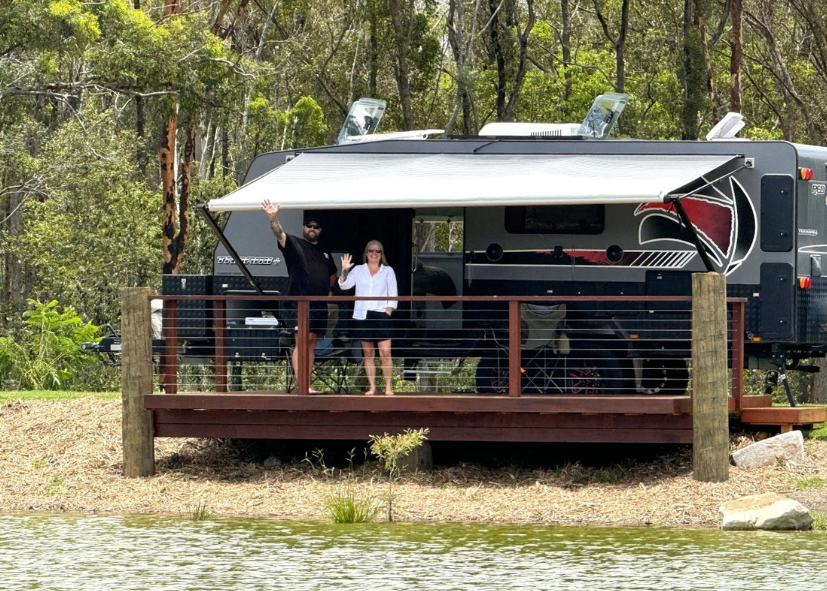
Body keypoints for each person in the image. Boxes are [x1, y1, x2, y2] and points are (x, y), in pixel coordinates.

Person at [262, 199, 337, 392]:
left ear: (320, 230)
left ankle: (308, 384)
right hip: (299, 302)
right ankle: (302, 385)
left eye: (316, 227)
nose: (312, 228)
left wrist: (326, 289)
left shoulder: (324, 252)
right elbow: (279, 234)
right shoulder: (294, 243)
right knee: (301, 341)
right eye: (309, 225)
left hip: (319, 305)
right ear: (304, 227)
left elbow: (332, 275)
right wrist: (272, 216)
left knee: (312, 342)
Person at [339, 240, 398, 395]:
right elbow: (344, 285)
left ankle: (388, 387)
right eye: (371, 250)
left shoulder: (388, 271)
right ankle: (372, 387)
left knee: (385, 353)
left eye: (377, 251)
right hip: (362, 315)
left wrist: (388, 312)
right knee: (368, 353)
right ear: (366, 253)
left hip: (381, 315)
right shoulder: (358, 270)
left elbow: (393, 295)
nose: (374, 253)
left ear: (381, 254)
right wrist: (344, 270)